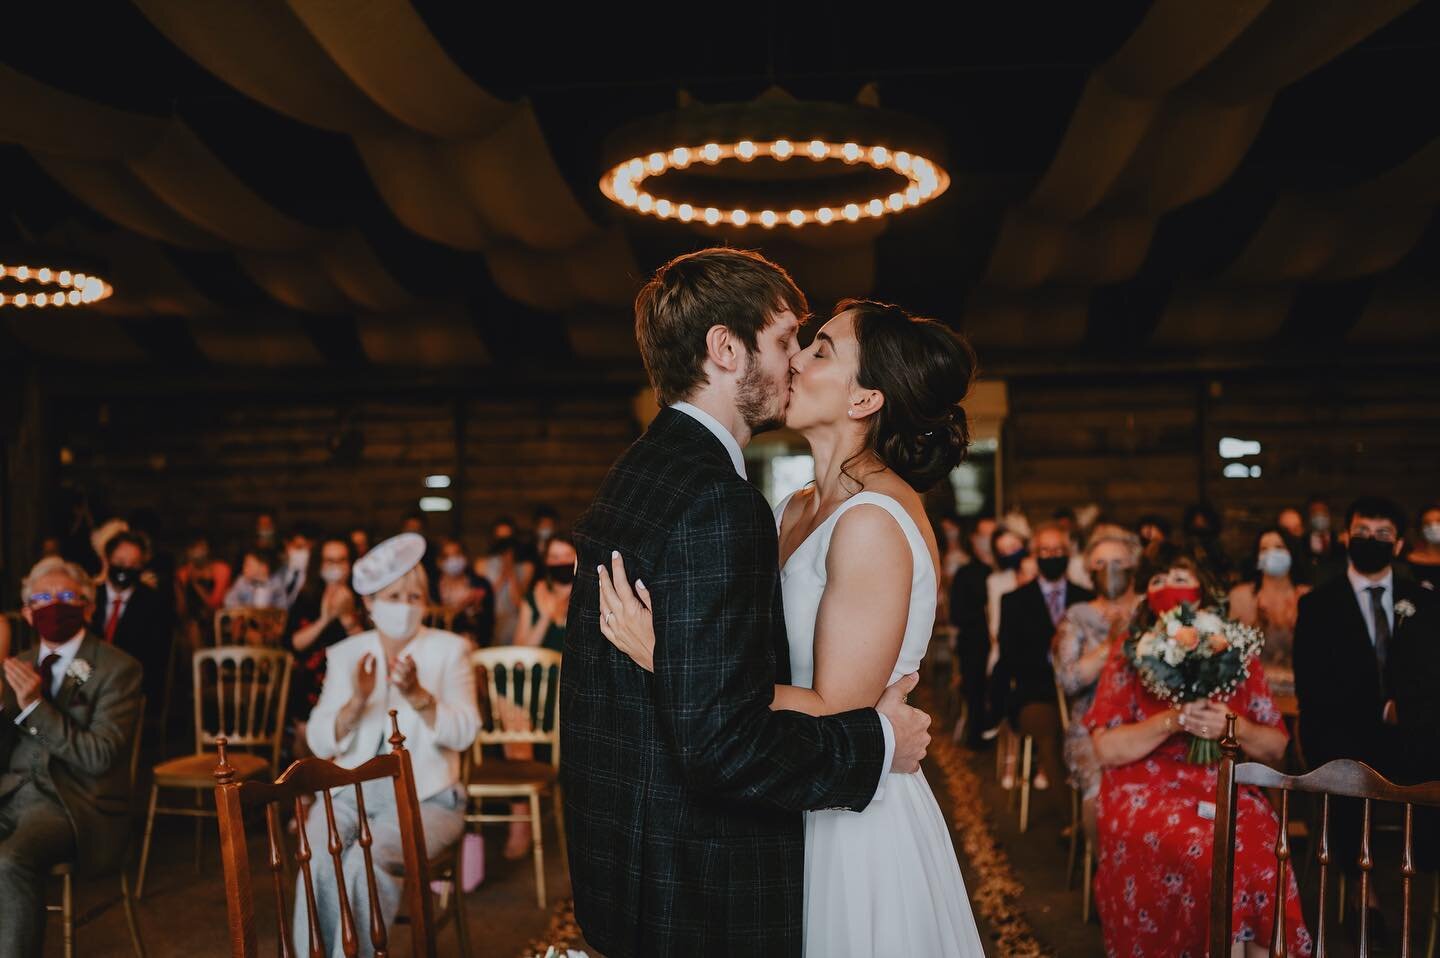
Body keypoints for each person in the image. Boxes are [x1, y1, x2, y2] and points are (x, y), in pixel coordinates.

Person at [578, 262, 977, 958]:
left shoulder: (873, 521)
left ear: (864, 400)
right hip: (792, 792)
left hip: (851, 812)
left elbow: (841, 708)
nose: (796, 359)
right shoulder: (793, 506)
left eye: (819, 348)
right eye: (798, 340)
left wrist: (668, 662)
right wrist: (687, 668)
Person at [1086, 549, 1311, 956]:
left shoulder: (1234, 650)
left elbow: (1277, 747)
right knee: (1205, 850)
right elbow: (1107, 748)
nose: (1169, 588)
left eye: (1179, 577)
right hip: (1144, 787)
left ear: (1203, 594)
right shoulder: (1129, 652)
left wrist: (1230, 724)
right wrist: (1174, 720)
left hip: (1219, 780)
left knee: (1256, 844)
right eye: (1157, 581)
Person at [298, 533, 478, 957]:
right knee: (318, 851)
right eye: (393, 595)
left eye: (414, 595)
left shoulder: (449, 651)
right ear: (370, 603)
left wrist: (420, 697)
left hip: (428, 798)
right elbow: (318, 737)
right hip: (348, 793)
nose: (404, 605)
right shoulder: (346, 654)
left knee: (365, 858)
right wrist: (356, 701)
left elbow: (466, 731)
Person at [1293, 497, 1440, 928]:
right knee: (1343, 772)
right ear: (1345, 537)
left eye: (1382, 534)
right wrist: (1372, 712)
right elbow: (1312, 687)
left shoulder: (1424, 602)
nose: (1370, 541)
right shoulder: (1318, 605)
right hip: (1344, 731)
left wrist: (1405, 710)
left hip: (1410, 732)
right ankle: (1365, 897)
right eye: (1362, 532)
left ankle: (1427, 885)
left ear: (1397, 545)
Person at [1, 558, 143, 958]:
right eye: (42, 598)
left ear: (88, 605)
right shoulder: (16, 664)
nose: (54, 605)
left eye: (66, 596)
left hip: (76, 803)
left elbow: (100, 756)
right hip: (11, 793)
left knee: (7, 861)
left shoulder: (118, 668)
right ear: (28, 611)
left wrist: (35, 706)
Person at [1052, 524, 1142, 836]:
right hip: (1091, 727)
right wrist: (1109, 646)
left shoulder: (1149, 611)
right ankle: (1107, 872)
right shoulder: (1077, 616)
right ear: (1090, 569)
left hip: (1146, 721)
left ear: (1134, 565)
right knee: (1101, 791)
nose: (1109, 570)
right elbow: (1068, 680)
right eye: (1101, 563)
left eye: (1117, 562)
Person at [991, 523, 1093, 791]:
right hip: (1035, 693)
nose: (1052, 555)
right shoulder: (1013, 601)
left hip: (1081, 692)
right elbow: (1010, 655)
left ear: (1068, 553)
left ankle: (1091, 801)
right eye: (1045, 550)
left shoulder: (1087, 599)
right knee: (1050, 730)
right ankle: (1070, 819)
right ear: (1035, 555)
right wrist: (1050, 653)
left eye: (1058, 550)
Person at [285, 537, 364, 753]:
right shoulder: (307, 597)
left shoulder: (363, 598)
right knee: (304, 735)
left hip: (352, 678)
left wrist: (347, 618)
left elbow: (368, 648)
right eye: (329, 561)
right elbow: (294, 643)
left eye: (341, 561)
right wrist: (325, 619)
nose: (335, 567)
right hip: (311, 679)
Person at [92, 531, 171, 715]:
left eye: (134, 565)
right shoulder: (90, 597)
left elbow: (153, 659)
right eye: (119, 563)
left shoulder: (154, 603)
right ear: (107, 561)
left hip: (128, 687)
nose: (125, 570)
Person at [1228, 528, 1310, 697]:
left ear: (1291, 552)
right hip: (1254, 689)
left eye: (1279, 547)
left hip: (1302, 691)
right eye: (1264, 549)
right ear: (1257, 558)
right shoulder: (1241, 596)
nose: (1272, 553)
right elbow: (1233, 653)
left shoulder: (1308, 597)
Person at [948, 517, 995, 747]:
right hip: (975, 639)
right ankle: (977, 736)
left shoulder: (1006, 569)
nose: (989, 541)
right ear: (975, 539)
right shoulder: (966, 574)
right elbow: (957, 613)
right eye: (985, 535)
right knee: (975, 688)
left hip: (1001, 640)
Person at [479, 518, 532, 647]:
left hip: (514, 624)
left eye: (508, 539)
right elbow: (483, 599)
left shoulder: (526, 567)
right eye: (499, 539)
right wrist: (502, 576)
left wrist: (511, 572)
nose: (504, 544)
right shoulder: (482, 564)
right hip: (489, 622)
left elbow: (520, 602)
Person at [431, 539, 494, 646]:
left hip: (472, 645)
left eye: (457, 554)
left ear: (465, 557)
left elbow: (488, 621)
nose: (453, 560)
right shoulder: (431, 588)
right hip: (440, 645)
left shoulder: (480, 584)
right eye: (447, 556)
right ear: (439, 561)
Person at [174, 533, 232, 647]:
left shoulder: (221, 570)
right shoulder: (183, 574)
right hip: (192, 622)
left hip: (218, 618)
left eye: (201, 549)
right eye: (194, 550)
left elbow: (215, 606)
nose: (198, 553)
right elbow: (181, 610)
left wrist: (197, 584)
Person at [1405, 502, 1440, 591]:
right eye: (1427, 523)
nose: (1433, 527)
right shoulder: (1407, 563)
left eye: (1439, 521)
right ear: (1420, 529)